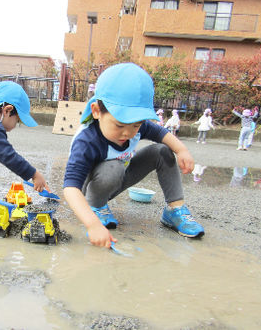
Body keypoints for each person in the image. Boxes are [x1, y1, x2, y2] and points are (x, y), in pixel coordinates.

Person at [63, 63, 204, 249]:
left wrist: (182, 150)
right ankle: (97, 208)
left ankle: (175, 209)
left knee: (162, 150)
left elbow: (162, 134)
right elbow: (71, 187)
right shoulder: (87, 141)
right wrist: (92, 224)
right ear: (97, 111)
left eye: (136, 126)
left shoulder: (135, 125)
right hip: (92, 188)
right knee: (112, 167)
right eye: (119, 126)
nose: (128, 133)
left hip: (120, 177)